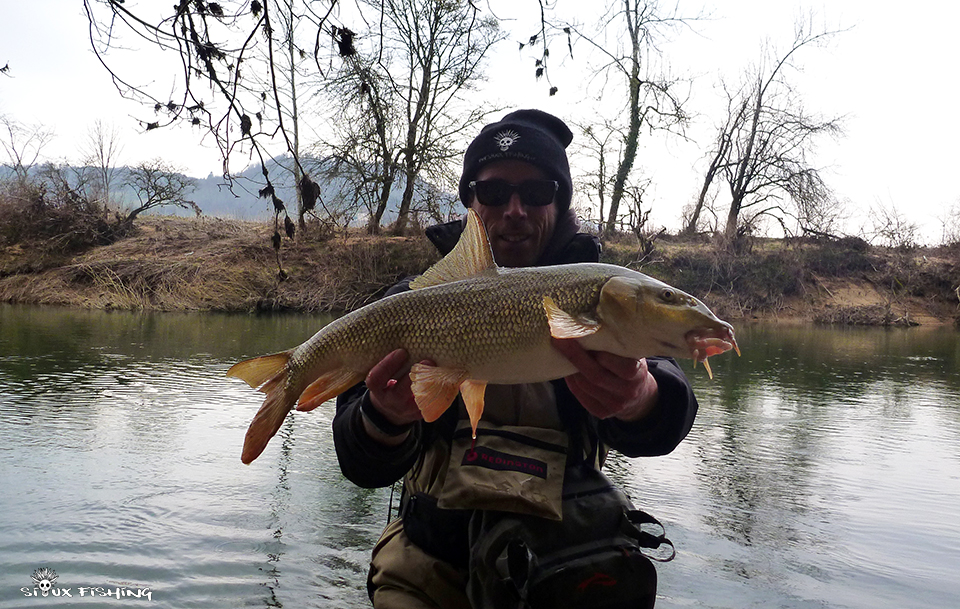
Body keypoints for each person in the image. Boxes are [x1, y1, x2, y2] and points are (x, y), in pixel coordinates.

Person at [333, 109, 698, 608]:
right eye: (494, 192)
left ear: (560, 202)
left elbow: (669, 413)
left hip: (565, 572)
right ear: (470, 201)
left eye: (537, 192)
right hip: (433, 567)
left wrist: (639, 398)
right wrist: (384, 418)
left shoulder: (601, 297)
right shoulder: (412, 303)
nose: (515, 210)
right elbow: (360, 464)